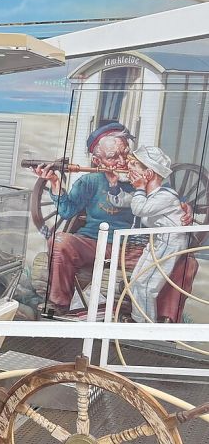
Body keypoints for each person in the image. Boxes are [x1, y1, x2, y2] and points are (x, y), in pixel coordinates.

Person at [33, 123, 193, 315]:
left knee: (187, 263)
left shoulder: (145, 178)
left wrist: (186, 206)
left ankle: (162, 322)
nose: (122, 161)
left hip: (137, 249)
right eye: (112, 157)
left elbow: (171, 198)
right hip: (96, 243)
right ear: (97, 160)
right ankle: (58, 305)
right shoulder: (90, 181)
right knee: (59, 241)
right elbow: (66, 211)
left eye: (125, 153)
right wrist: (55, 184)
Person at [108, 146, 186, 322]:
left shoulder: (166, 196)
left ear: (149, 174)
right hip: (158, 242)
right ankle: (139, 320)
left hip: (169, 243)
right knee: (136, 281)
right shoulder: (150, 194)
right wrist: (114, 185)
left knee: (146, 285)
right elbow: (124, 201)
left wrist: (139, 187)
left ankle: (144, 325)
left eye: (135, 165)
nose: (130, 167)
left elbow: (139, 208)